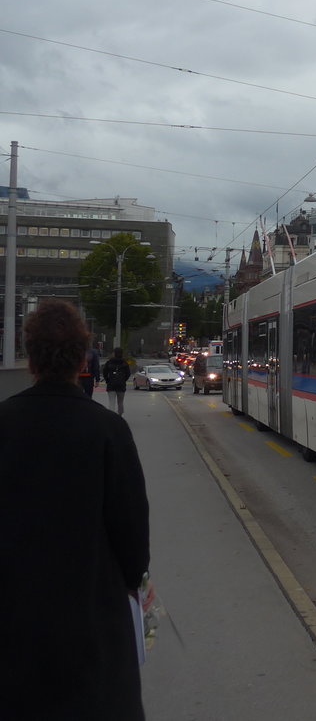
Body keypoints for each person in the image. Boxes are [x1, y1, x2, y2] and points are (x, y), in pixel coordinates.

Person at [0, 300, 150, 720]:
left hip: (14, 628)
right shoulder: (108, 430)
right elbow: (133, 538)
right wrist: (135, 582)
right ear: (83, 360)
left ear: (31, 360)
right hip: (92, 625)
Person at [102, 346, 132, 416]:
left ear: (114, 353)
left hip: (111, 384)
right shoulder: (124, 363)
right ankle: (120, 415)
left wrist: (107, 380)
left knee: (111, 402)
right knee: (120, 402)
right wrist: (123, 380)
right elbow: (128, 373)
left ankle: (111, 416)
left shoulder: (109, 362)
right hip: (121, 385)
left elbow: (104, 372)